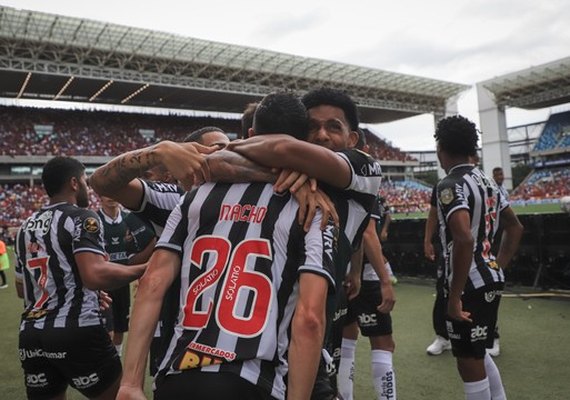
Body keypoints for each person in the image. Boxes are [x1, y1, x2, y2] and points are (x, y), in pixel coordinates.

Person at [118, 92, 336, 400]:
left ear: (250, 135)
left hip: (178, 378)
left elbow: (152, 282)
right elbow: (310, 319)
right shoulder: (312, 207)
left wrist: (129, 383)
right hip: (250, 381)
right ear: (305, 144)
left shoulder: (194, 196)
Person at [227, 88, 383, 398]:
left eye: (334, 126)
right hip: (244, 354)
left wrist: (282, 165)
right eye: (313, 127)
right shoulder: (281, 173)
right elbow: (214, 163)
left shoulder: (365, 171)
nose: (322, 135)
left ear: (353, 139)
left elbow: (279, 150)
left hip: (300, 355)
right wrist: (279, 173)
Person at [14, 156, 146, 400]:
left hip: (32, 336)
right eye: (85, 180)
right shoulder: (82, 217)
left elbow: (22, 289)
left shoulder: (25, 227)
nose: (88, 186)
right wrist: (146, 268)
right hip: (77, 331)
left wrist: (84, 291)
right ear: (74, 183)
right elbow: (95, 274)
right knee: (122, 395)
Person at [434, 115, 523, 400]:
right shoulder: (488, 181)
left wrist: (454, 295)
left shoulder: (450, 184)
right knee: (478, 352)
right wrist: (497, 264)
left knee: (468, 361)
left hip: (469, 284)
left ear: (441, 149)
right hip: (491, 276)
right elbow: (515, 227)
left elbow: (463, 238)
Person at [337, 130, 397, 400]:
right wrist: (385, 281)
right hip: (364, 277)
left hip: (338, 275)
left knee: (346, 344)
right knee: (383, 344)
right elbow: (367, 233)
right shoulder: (363, 183)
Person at [97, 195, 136, 355]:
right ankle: (107, 362)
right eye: (106, 192)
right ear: (99, 196)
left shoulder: (130, 220)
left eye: (114, 192)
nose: (111, 196)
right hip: (103, 284)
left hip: (123, 282)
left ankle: (116, 359)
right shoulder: (94, 220)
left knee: (120, 328)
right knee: (108, 330)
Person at [423, 184, 452, 356]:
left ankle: (489, 335)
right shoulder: (442, 186)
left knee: (476, 292)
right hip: (447, 249)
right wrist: (427, 240)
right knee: (442, 290)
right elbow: (433, 213)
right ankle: (443, 337)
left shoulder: (481, 182)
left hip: (476, 248)